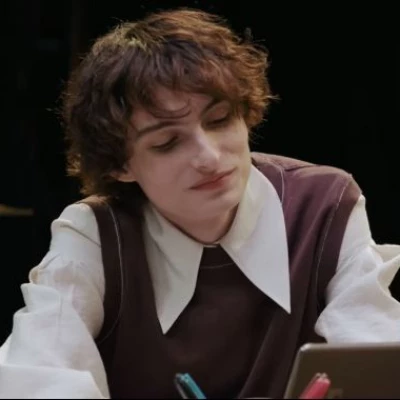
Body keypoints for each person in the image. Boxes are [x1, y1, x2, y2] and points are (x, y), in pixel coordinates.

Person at [1, 7, 400, 399]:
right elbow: (36, 376)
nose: (209, 157)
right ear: (120, 165)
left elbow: (378, 359)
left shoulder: (324, 207)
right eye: (167, 142)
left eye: (220, 119)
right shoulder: (96, 234)